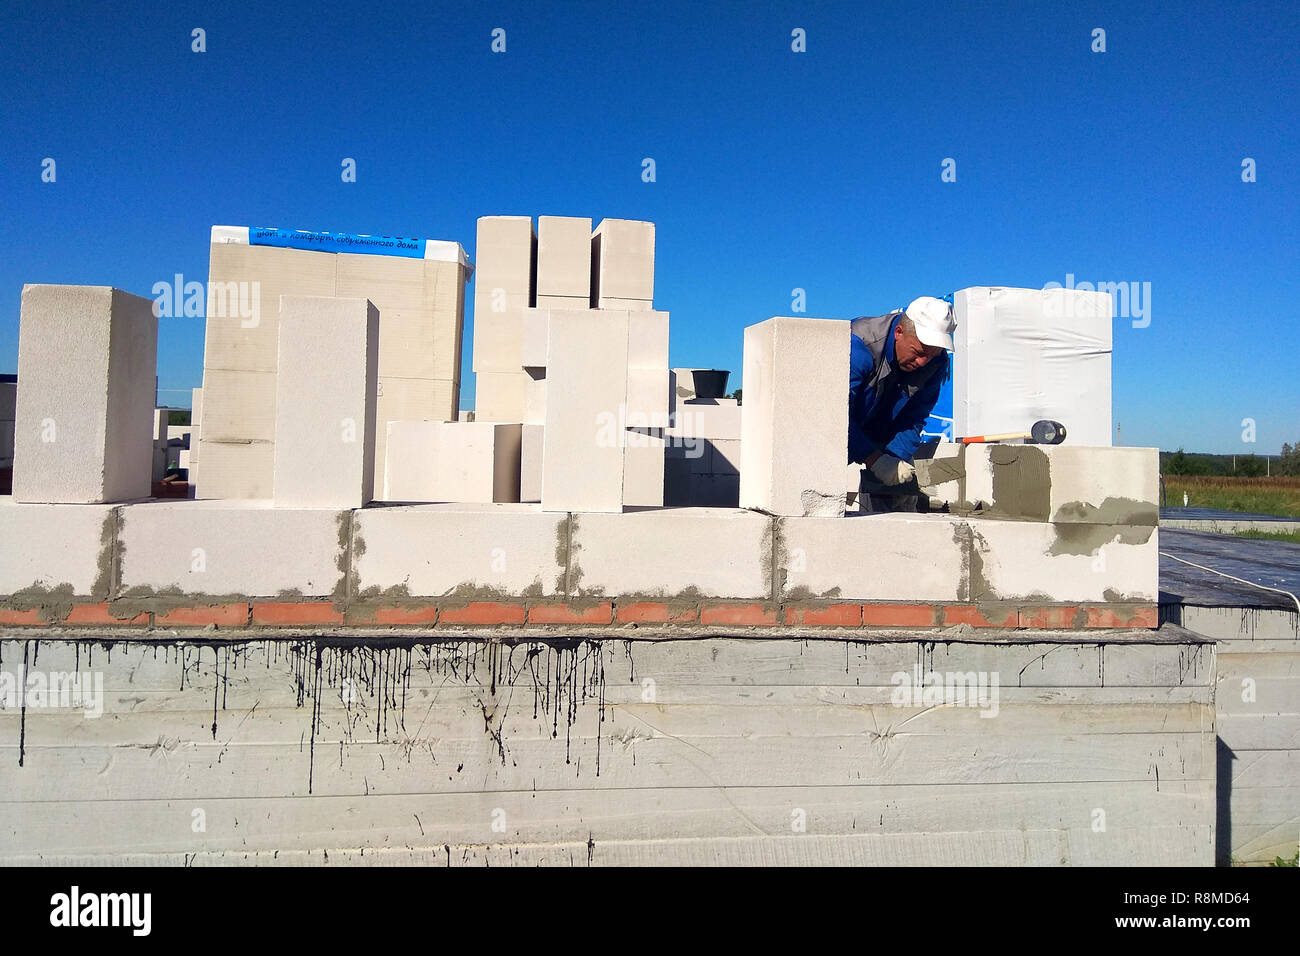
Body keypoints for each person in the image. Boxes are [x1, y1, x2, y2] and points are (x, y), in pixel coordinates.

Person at [848, 296, 956, 511]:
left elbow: (914, 418)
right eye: (918, 353)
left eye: (932, 354)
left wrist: (895, 461)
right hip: (830, 437)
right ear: (899, 332)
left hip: (878, 432)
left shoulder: (934, 362)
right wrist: (874, 459)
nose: (922, 362)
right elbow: (831, 416)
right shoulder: (858, 348)